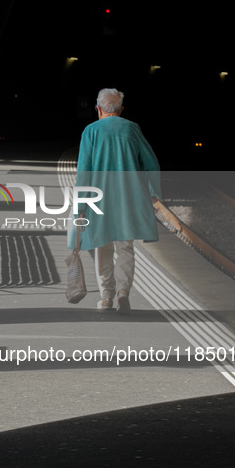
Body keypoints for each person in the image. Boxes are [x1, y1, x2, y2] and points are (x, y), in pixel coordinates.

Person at [68, 87, 160, 314]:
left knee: (103, 246)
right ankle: (123, 293)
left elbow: (84, 172)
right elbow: (151, 163)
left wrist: (80, 207)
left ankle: (106, 297)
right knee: (126, 247)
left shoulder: (90, 131)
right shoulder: (132, 129)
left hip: (99, 200)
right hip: (128, 199)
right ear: (121, 110)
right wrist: (153, 191)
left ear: (98, 109)